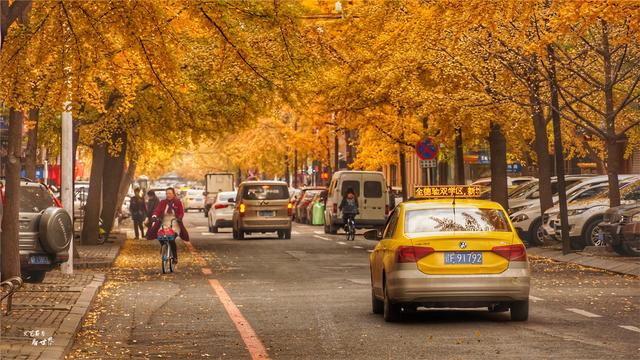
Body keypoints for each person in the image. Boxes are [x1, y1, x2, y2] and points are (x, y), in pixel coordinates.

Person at [146, 187, 190, 264]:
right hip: (164, 222)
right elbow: (157, 210)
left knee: (171, 239)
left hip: (175, 223)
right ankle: (164, 247)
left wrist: (179, 217)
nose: (168, 195)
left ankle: (175, 257)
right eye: (167, 193)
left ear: (174, 194)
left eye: (170, 193)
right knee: (160, 236)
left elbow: (181, 212)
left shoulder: (178, 202)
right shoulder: (162, 202)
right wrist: (154, 216)